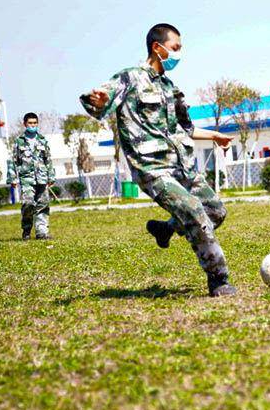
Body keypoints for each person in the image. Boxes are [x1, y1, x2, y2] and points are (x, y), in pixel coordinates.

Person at [79, 23, 237, 297]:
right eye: (175, 48)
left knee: (215, 211)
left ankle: (165, 229)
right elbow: (99, 101)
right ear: (157, 47)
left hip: (181, 166)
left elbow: (185, 129)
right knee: (193, 211)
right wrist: (100, 100)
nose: (178, 54)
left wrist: (215, 136)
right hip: (152, 168)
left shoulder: (169, 87)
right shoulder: (129, 78)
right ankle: (218, 279)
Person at [6, 112, 55, 240]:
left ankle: (42, 232)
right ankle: (26, 230)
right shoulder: (19, 141)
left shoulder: (42, 140)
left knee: (42, 205)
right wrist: (13, 178)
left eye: (34, 123)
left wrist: (51, 176)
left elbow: (48, 159)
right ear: (25, 124)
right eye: (30, 123)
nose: (32, 125)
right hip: (26, 178)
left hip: (42, 178)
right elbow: (14, 160)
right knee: (28, 204)